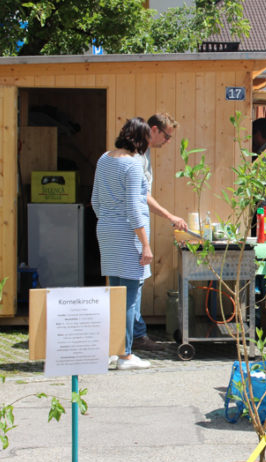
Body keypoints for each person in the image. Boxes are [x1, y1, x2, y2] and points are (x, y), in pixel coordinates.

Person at [92, 118, 153, 370]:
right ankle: (126, 355)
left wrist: (108, 221)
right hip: (128, 234)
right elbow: (133, 208)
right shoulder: (133, 165)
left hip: (106, 230)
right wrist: (146, 244)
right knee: (128, 296)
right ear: (140, 140)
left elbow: (95, 200)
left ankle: (112, 350)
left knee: (114, 293)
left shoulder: (104, 159)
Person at [132, 113, 187, 352]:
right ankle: (135, 336)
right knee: (134, 281)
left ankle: (135, 333)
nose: (167, 141)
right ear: (153, 130)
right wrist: (170, 216)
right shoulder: (136, 156)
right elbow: (141, 197)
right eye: (166, 136)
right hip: (134, 224)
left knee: (137, 280)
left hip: (138, 222)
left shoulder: (144, 154)